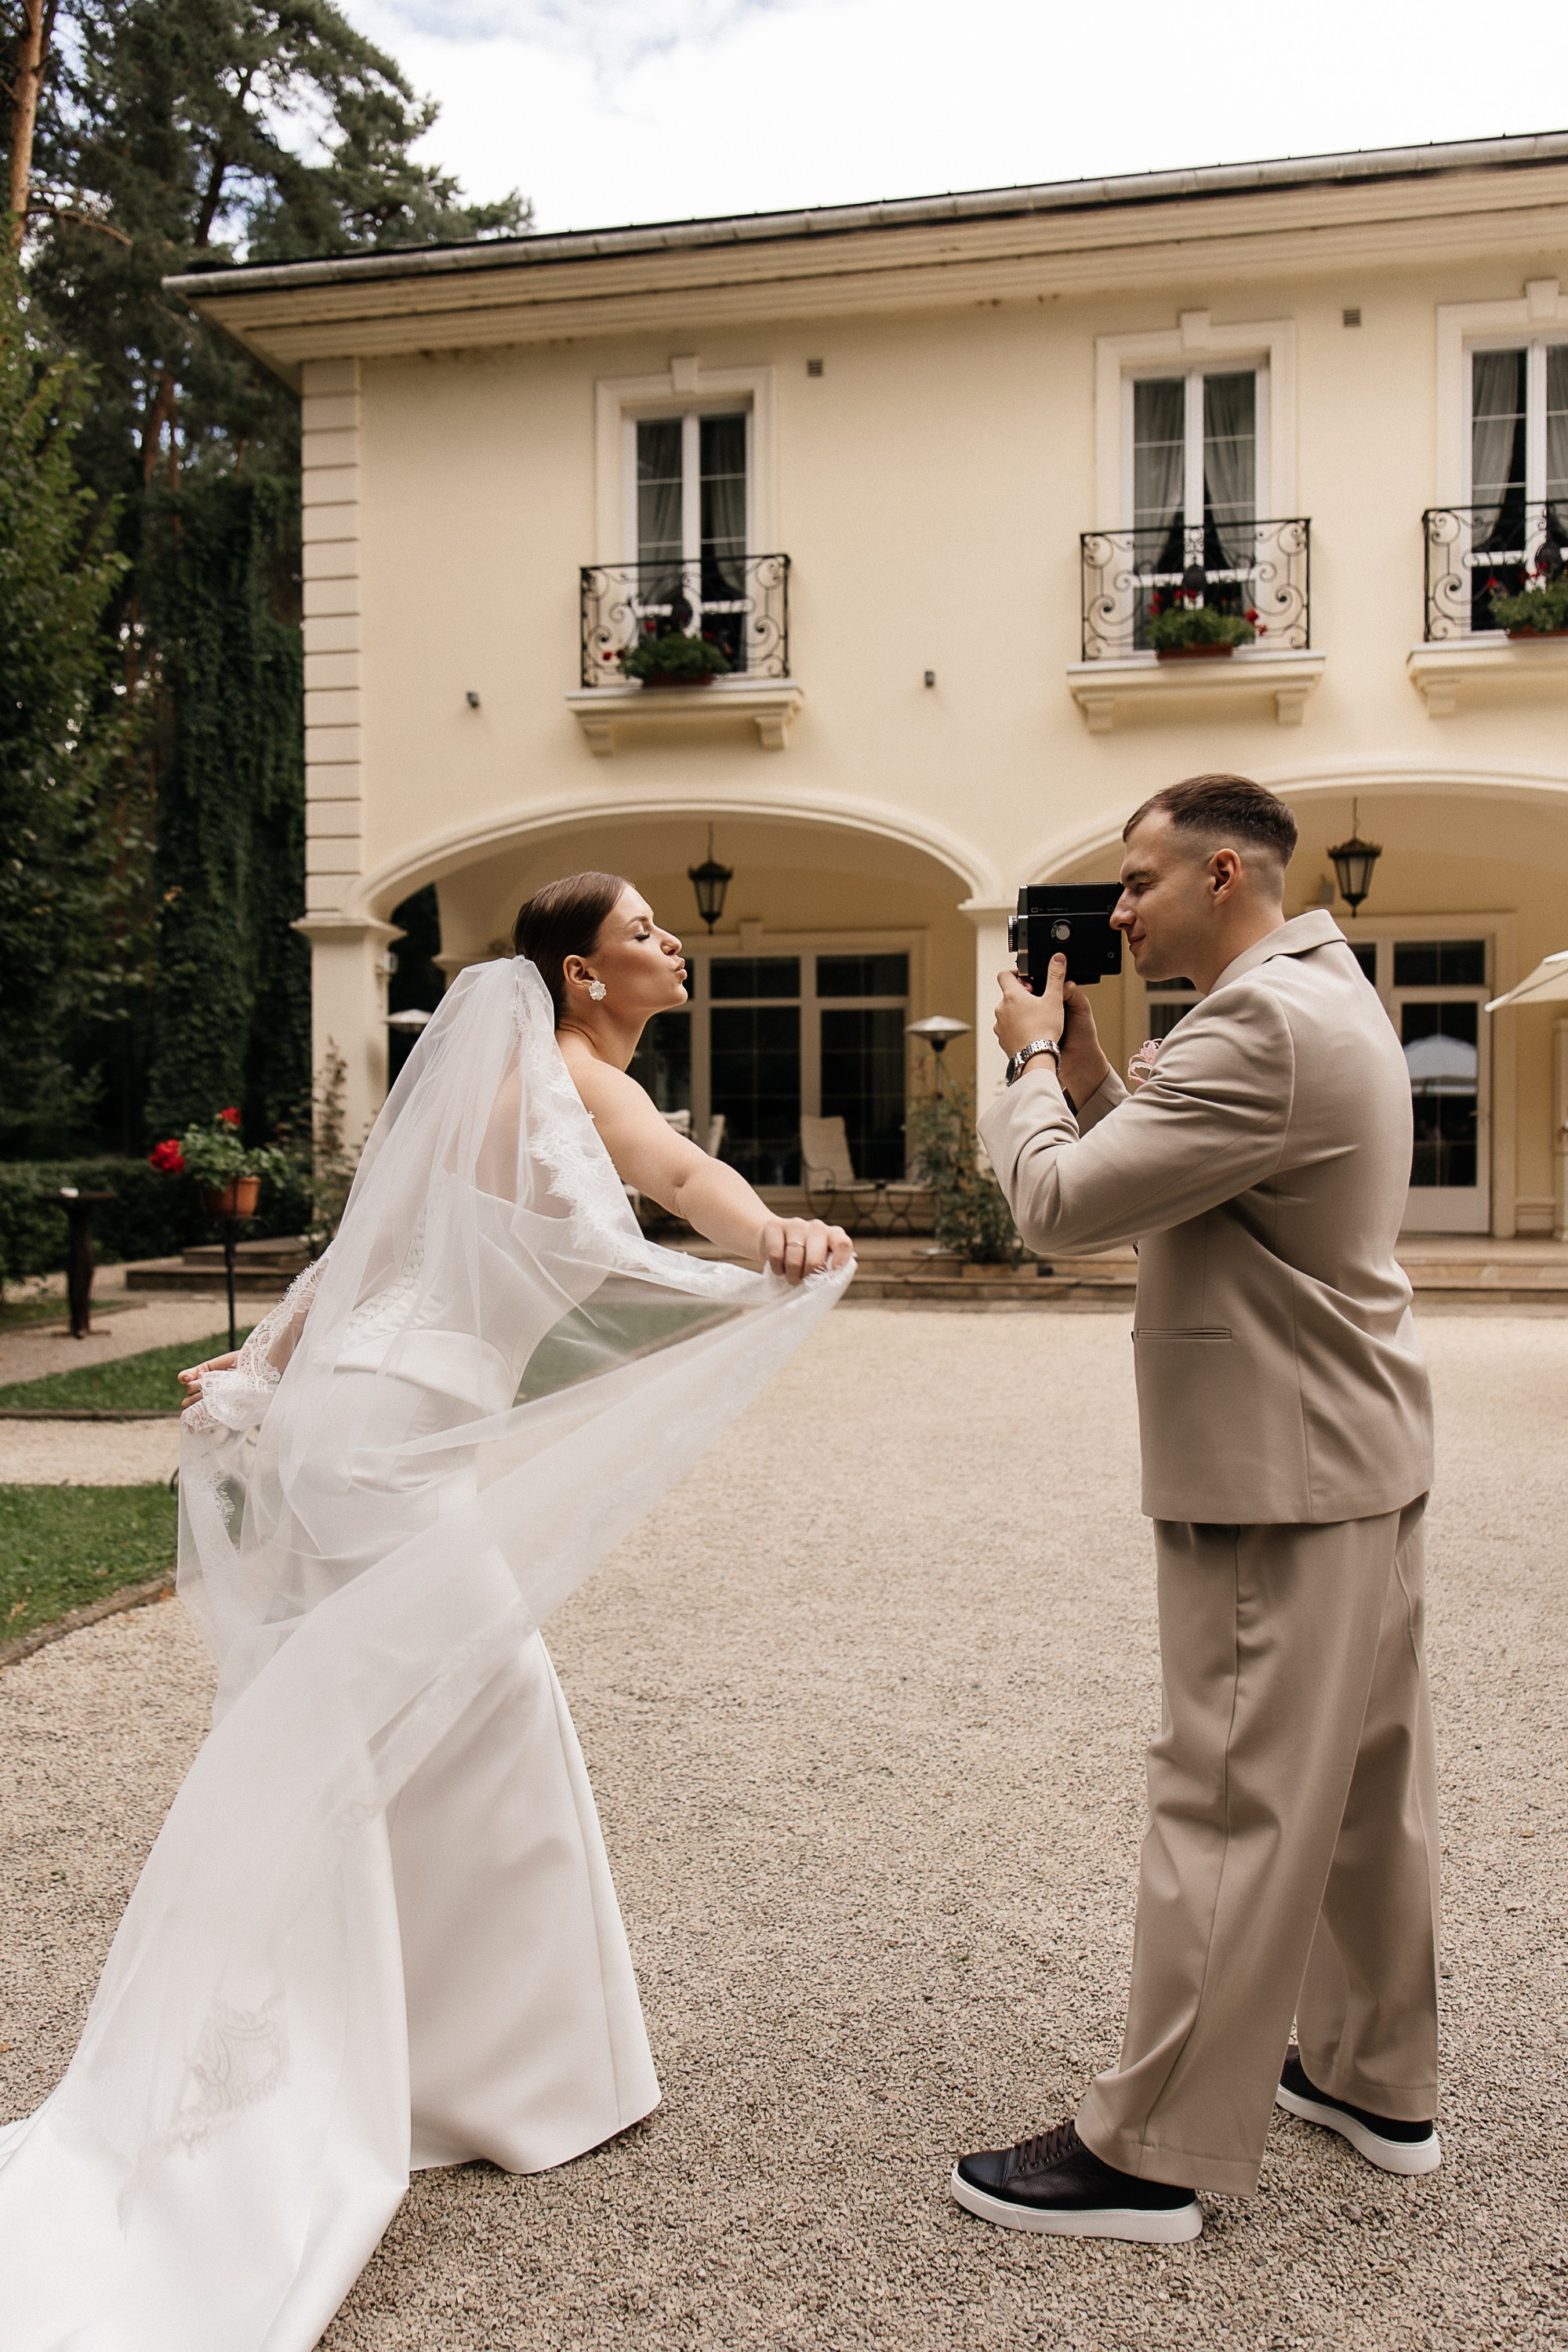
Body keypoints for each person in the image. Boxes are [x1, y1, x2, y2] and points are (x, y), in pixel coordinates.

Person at [0, 873, 850, 2352]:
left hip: (363, 1422)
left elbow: (358, 1253)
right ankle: (481, 2078)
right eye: (644, 932)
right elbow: (686, 1187)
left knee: (374, 1725)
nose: (673, 946)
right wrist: (777, 1237)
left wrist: (268, 1369)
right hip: (391, 1442)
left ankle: (435, 2057)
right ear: (582, 977)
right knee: (485, 1703)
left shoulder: (519, 1082)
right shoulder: (580, 1083)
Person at [952, 775, 1437, 2245]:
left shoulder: (1255, 1022)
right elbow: (1185, 1183)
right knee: (1358, 1788)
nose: (1117, 913)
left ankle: (1155, 2153)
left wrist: (1031, 1068)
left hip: (1278, 1469)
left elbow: (1057, 1210)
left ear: (1223, 873)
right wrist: (1097, 1075)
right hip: (1355, 1448)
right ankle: (1372, 2077)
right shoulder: (1319, 995)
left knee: (1226, 1795)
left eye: (1138, 884)